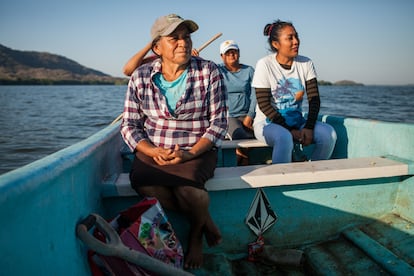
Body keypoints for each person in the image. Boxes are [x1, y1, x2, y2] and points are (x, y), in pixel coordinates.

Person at [120, 14, 228, 269]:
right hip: (154, 148)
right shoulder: (141, 76)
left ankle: (195, 236)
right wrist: (151, 149)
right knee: (145, 184)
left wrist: (190, 154)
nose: (183, 43)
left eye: (186, 37)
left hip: (197, 148)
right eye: (174, 38)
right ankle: (207, 221)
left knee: (189, 191)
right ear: (157, 48)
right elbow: (130, 125)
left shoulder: (208, 71)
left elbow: (219, 124)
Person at [252, 19, 337, 163]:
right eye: (290, 38)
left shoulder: (306, 63)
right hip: (267, 123)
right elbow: (264, 104)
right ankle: (281, 182)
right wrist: (290, 131)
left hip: (297, 120)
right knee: (284, 138)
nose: (296, 41)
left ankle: (312, 174)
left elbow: (314, 99)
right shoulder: (264, 64)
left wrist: (309, 127)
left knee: (329, 134)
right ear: (276, 44)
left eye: (296, 36)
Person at [218, 40, 256, 165]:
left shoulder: (249, 70)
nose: (231, 55)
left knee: (267, 130)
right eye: (228, 53)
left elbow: (256, 94)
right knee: (240, 135)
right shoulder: (218, 70)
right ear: (222, 56)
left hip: (247, 114)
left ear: (239, 53)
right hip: (229, 116)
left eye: (234, 52)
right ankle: (243, 158)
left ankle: (240, 156)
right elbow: (200, 67)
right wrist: (194, 57)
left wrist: (250, 115)